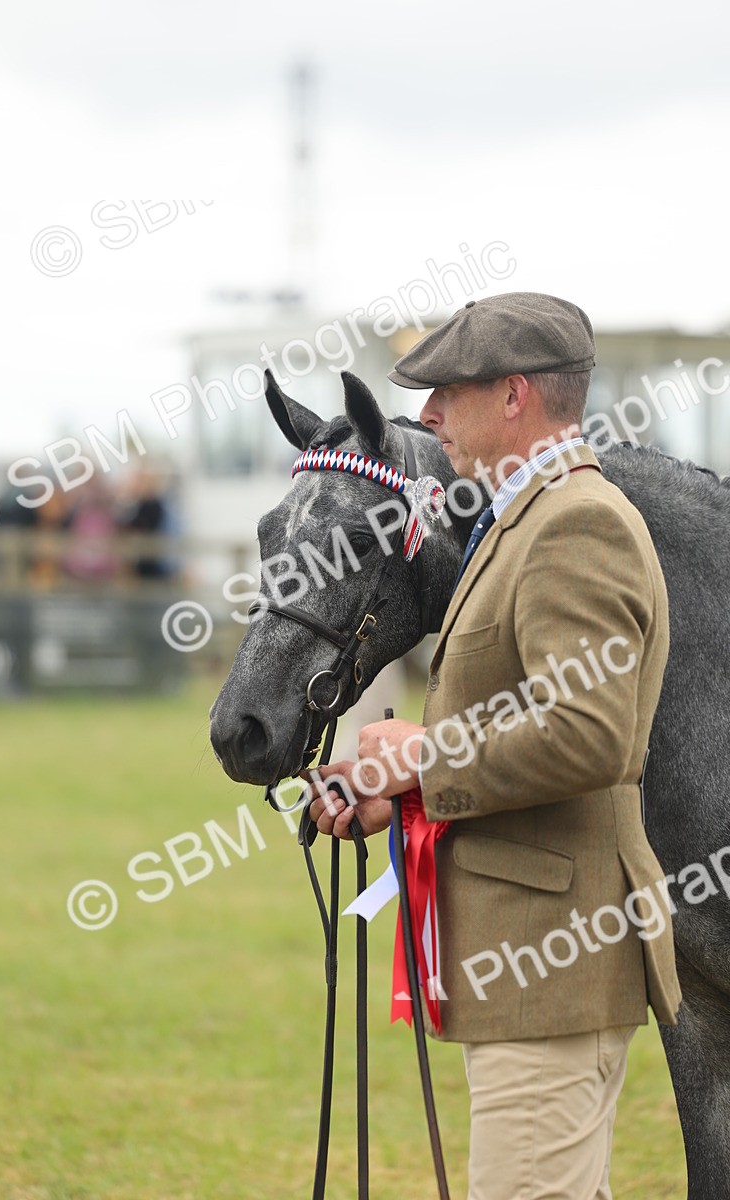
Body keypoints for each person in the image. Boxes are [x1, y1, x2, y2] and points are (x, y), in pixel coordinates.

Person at [304, 292, 681, 1199]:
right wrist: (397, 796)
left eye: (447, 391)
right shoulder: (523, 520)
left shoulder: (573, 523)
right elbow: (528, 726)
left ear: (514, 396)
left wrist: (424, 756)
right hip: (532, 969)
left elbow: (588, 735)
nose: (428, 414)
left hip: (553, 968)